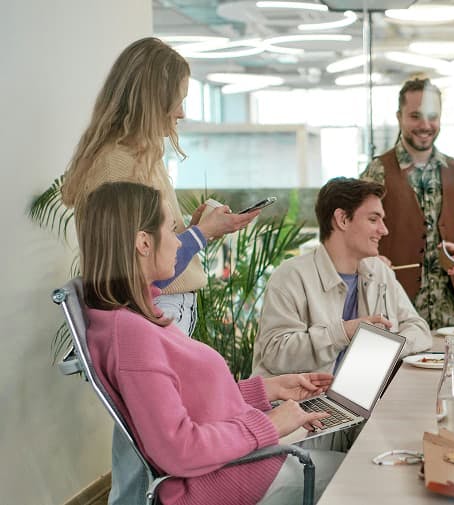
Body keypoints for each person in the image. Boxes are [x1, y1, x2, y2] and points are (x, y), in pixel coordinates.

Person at [59, 37, 259, 505]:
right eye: (178, 99)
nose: (183, 113)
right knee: (146, 457)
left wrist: (185, 234)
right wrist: (201, 235)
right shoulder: (119, 164)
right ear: (153, 96)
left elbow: (146, 247)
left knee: (142, 453)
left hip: (159, 307)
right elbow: (134, 267)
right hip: (152, 307)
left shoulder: (135, 157)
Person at [78, 181, 344, 505]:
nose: (178, 243)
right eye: (171, 230)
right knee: (365, 475)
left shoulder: (139, 315)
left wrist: (267, 390)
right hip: (229, 483)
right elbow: (179, 450)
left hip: (242, 467)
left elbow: (189, 401)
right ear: (143, 243)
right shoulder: (132, 335)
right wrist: (270, 425)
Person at [254, 177, 432, 378]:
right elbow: (275, 353)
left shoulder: (380, 272)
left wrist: (386, 349)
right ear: (343, 220)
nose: (384, 230)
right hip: (300, 404)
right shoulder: (290, 277)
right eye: (373, 219)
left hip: (360, 398)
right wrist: (343, 333)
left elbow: (418, 329)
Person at [360, 77, 454, 330]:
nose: (425, 125)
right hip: (394, 308)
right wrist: (373, 259)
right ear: (399, 117)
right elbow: (357, 231)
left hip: (449, 310)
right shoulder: (377, 171)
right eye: (415, 116)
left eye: (432, 116)